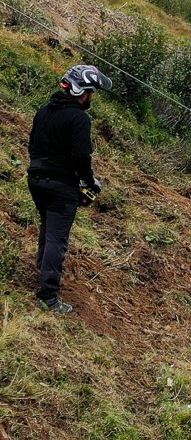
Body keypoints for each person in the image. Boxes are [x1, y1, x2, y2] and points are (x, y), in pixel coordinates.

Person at [27, 64, 112, 313]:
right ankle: (49, 296)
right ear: (82, 93)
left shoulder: (43, 112)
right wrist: (89, 182)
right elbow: (81, 156)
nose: (91, 97)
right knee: (57, 238)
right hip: (61, 186)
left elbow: (32, 146)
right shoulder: (79, 119)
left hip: (36, 180)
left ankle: (42, 272)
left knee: (48, 228)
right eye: (91, 92)